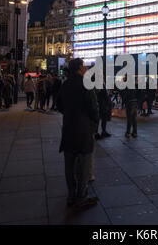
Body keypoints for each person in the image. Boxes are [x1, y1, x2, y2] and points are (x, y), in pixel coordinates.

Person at [56, 58, 99, 208]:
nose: (86, 68)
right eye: (84, 66)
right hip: (84, 129)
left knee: (69, 164)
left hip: (68, 128)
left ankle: (71, 195)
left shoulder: (65, 84)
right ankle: (81, 195)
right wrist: (93, 124)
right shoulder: (86, 84)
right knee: (85, 163)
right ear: (80, 69)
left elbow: (59, 105)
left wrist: (69, 114)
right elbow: (94, 108)